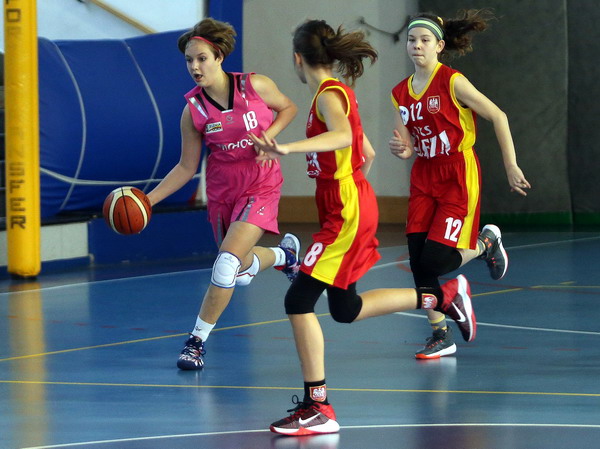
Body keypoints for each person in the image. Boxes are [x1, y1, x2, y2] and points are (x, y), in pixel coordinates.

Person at [250, 19, 476, 436]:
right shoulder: (332, 92)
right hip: (349, 205)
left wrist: (288, 148)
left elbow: (343, 137)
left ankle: (318, 407)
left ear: (298, 59)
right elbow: (366, 152)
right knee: (345, 309)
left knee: (299, 299)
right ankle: (442, 297)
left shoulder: (328, 94)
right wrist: (355, 191)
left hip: (346, 211)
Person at [146, 18, 299, 370]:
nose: (195, 67)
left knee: (226, 264)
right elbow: (186, 167)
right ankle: (284, 255)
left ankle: (195, 342)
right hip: (222, 190)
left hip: (260, 182)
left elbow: (288, 107)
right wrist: (148, 201)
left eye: (202, 58)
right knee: (237, 272)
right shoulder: (192, 111)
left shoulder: (255, 85)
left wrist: (270, 136)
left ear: (219, 57)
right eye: (189, 60)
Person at [389, 10, 531, 359]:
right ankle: (441, 334)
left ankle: (485, 243)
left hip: (457, 174)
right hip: (424, 176)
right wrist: (402, 149)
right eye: (412, 40)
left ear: (439, 46)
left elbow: (498, 115)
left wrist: (510, 164)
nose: (417, 45)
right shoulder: (400, 93)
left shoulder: (452, 82)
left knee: (435, 262)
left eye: (424, 40)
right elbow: (408, 144)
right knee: (418, 262)